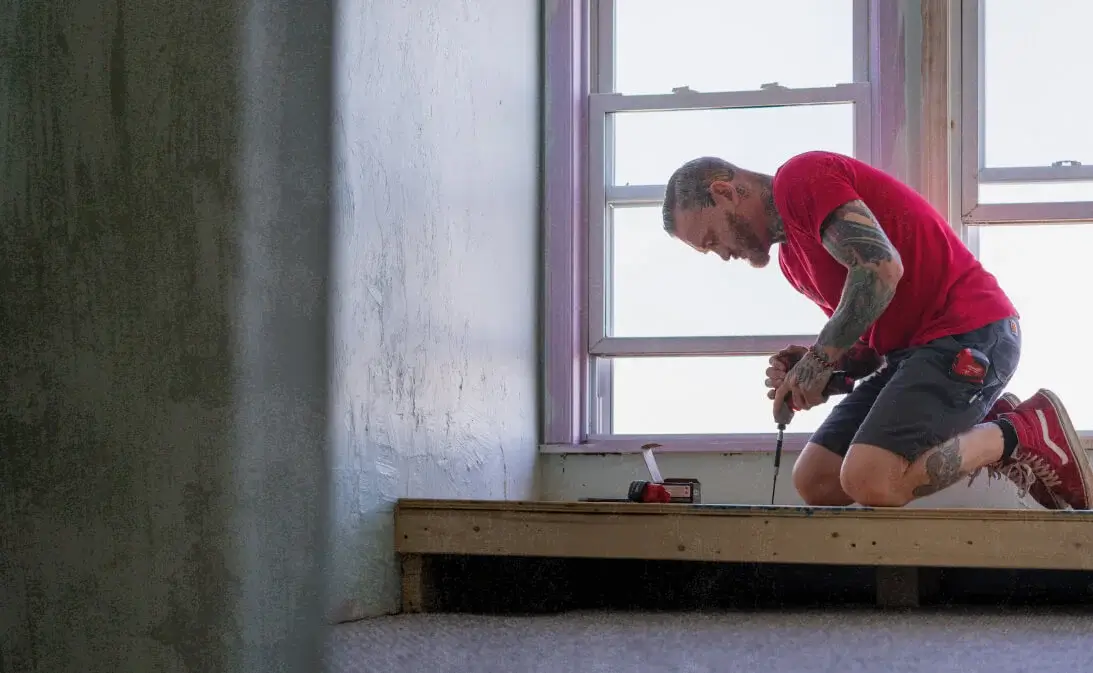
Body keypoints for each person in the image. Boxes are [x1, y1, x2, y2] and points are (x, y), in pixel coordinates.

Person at [660, 150, 1093, 510]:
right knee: (816, 481)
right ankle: (989, 415)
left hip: (972, 333)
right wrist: (821, 372)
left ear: (725, 192)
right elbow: (868, 346)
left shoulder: (800, 178)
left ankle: (1021, 431)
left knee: (872, 481)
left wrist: (821, 358)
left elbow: (880, 268)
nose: (722, 255)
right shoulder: (793, 263)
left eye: (712, 238)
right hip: (912, 356)